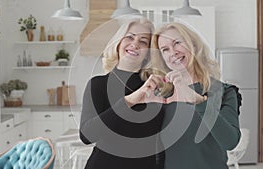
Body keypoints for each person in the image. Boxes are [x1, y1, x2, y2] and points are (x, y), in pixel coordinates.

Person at [148, 22, 242, 169]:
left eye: (177, 43)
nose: (173, 52)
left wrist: (199, 102)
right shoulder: (160, 96)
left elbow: (230, 142)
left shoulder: (223, 91)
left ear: (194, 45)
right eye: (165, 49)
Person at [79, 18, 165, 169]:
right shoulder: (98, 84)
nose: (135, 44)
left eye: (143, 41)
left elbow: (160, 142)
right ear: (118, 43)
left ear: (148, 54)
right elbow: (87, 136)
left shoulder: (155, 86)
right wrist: (129, 102)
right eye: (130, 37)